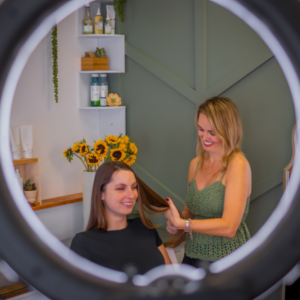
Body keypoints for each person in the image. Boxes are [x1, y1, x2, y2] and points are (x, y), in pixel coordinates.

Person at [164, 96, 252, 267]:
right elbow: (190, 211)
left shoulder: (237, 164)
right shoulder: (195, 164)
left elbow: (229, 227)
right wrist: (178, 224)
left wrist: (185, 224)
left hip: (228, 260)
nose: (204, 137)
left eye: (212, 132)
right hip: (192, 255)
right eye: (200, 129)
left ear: (228, 131)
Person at [70, 161, 172, 274]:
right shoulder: (83, 243)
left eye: (134, 187)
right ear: (101, 194)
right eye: (120, 188)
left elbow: (170, 278)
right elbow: (80, 290)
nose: (131, 195)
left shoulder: (144, 227)